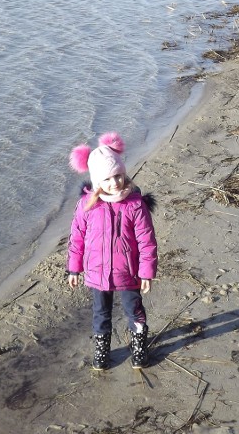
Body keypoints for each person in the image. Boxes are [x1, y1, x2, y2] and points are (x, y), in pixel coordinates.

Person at [67, 132, 157, 370]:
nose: (115, 183)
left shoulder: (135, 205)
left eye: (118, 176)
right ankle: (102, 351)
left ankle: (139, 347)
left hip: (128, 273)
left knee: (134, 309)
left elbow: (147, 241)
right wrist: (74, 269)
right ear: (98, 182)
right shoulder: (87, 206)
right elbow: (77, 238)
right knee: (100, 313)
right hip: (97, 274)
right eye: (107, 179)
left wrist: (146, 272)